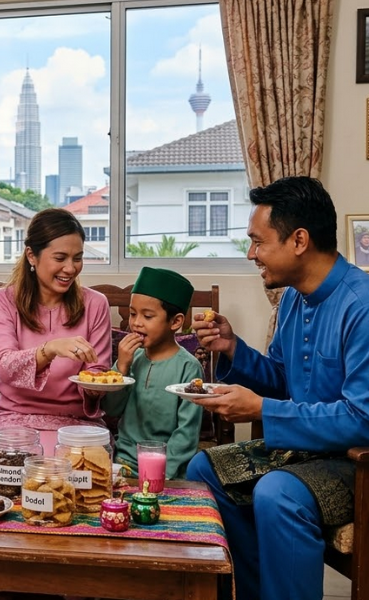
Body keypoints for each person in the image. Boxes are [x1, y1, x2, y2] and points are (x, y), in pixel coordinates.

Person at [187, 176, 369, 600]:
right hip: (300, 450)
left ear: (299, 240)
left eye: (257, 241)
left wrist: (263, 412)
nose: (252, 254)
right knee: (203, 469)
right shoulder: (292, 299)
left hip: (352, 463)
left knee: (277, 492)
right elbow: (284, 379)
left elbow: (363, 418)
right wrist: (232, 348)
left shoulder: (361, 306)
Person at [0, 208, 113, 457]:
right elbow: (4, 365)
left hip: (77, 423)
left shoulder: (96, 304)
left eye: (77, 258)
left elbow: (97, 372)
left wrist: (98, 385)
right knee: (15, 461)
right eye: (60, 257)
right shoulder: (2, 301)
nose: (70, 268)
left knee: (82, 464)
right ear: (32, 255)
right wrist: (51, 348)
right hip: (15, 419)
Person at [101, 267, 204, 480]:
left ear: (175, 322)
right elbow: (111, 408)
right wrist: (121, 367)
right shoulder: (131, 359)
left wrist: (162, 472)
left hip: (168, 471)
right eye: (132, 313)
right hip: (124, 463)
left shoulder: (189, 367)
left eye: (147, 316)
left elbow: (187, 433)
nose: (136, 322)